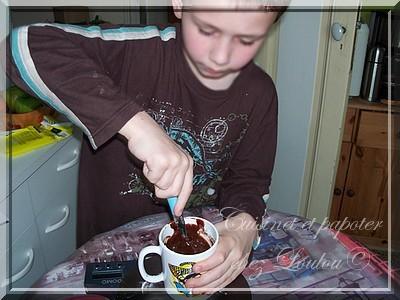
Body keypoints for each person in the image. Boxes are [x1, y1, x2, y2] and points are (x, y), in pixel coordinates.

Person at [5, 0, 286, 293]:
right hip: (110, 254)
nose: (222, 56)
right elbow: (23, 44)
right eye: (208, 29)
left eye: (247, 39)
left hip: (197, 257)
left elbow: (249, 182)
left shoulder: (260, 93)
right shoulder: (132, 50)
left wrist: (244, 229)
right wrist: (139, 128)